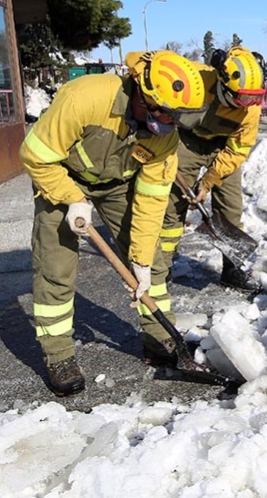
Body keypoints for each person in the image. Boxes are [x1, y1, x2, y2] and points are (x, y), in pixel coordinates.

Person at [19, 50, 208, 396]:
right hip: (60, 175)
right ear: (142, 94)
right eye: (167, 114)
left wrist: (140, 260)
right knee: (56, 268)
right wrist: (73, 198)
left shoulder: (164, 135)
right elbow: (35, 155)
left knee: (153, 261)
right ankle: (59, 356)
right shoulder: (85, 98)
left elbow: (151, 199)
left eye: (179, 118)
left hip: (118, 184)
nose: (172, 124)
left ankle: (160, 340)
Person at [145, 46, 265, 364]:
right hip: (187, 140)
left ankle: (232, 269)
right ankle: (163, 265)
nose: (249, 106)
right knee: (174, 205)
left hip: (222, 147)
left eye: (253, 99)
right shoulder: (195, 81)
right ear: (223, 85)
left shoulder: (250, 107)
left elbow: (237, 151)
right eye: (242, 99)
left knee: (230, 207)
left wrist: (208, 182)